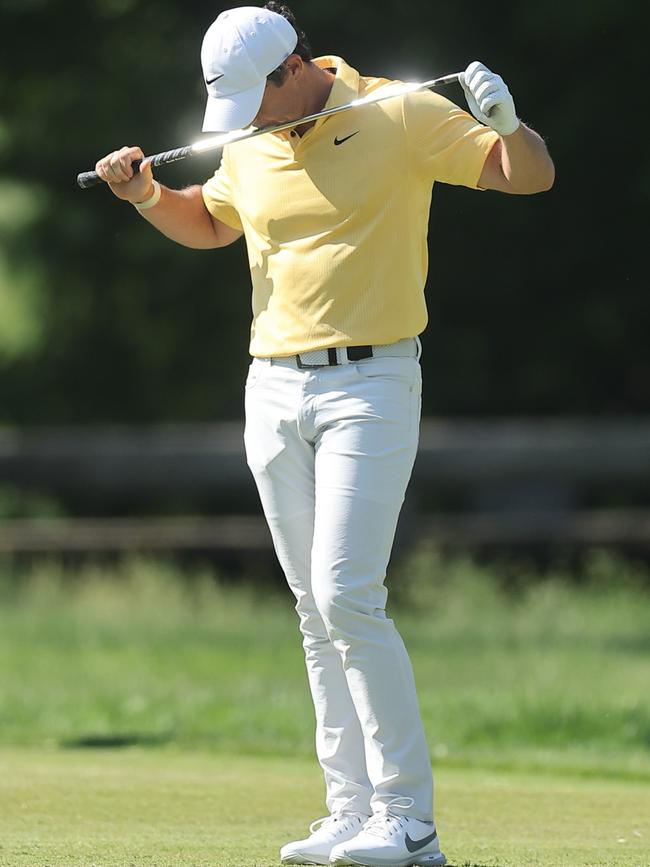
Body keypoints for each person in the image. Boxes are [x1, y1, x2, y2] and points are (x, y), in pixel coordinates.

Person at [94, 4, 554, 865]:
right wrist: (147, 193)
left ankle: (408, 819)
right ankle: (348, 808)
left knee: (348, 593)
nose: (247, 120)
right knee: (313, 607)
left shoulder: (400, 111)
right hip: (271, 386)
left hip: (373, 382)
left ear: (292, 68)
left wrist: (511, 125)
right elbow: (212, 223)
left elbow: (526, 177)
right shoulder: (247, 139)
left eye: (254, 100)